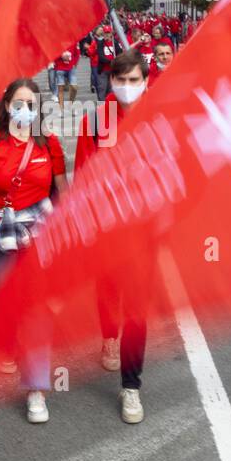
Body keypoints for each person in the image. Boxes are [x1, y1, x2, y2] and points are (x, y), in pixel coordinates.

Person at [0, 78, 68, 423]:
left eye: (31, 103)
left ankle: (36, 389)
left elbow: (61, 190)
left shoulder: (48, 143)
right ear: (6, 105)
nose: (25, 109)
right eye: (18, 102)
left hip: (39, 235)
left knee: (36, 308)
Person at [74, 51, 152, 423]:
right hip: (105, 229)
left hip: (143, 232)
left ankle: (131, 387)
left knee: (137, 309)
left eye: (134, 80)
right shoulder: (98, 120)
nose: (126, 88)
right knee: (107, 290)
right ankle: (108, 335)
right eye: (120, 80)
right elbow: (83, 175)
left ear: (146, 81)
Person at [54, 43, 79, 109]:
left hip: (71, 68)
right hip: (60, 67)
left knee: (74, 87)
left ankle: (70, 105)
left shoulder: (74, 40)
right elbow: (52, 54)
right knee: (60, 89)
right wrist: (61, 56)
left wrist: (75, 63)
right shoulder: (57, 41)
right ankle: (61, 109)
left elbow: (77, 53)